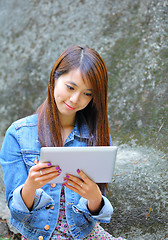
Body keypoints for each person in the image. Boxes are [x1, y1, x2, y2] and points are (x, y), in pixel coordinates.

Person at [0, 45, 126, 240]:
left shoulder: (97, 136)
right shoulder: (18, 135)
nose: (76, 99)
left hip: (85, 234)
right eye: (71, 87)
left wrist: (94, 197)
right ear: (54, 78)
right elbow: (17, 213)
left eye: (87, 93)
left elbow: (94, 213)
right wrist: (31, 186)